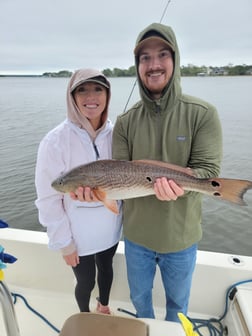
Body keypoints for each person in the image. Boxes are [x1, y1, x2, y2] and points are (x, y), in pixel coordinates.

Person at [112, 23, 223, 322]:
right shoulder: (124, 122)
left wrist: (181, 183)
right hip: (136, 239)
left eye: (162, 54)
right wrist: (92, 193)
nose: (154, 64)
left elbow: (209, 170)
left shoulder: (203, 113)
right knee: (140, 302)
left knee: (178, 305)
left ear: (175, 60)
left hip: (182, 238)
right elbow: (118, 176)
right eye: (144, 58)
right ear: (137, 67)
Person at [35, 68, 122, 314]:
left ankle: (103, 305)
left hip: (111, 226)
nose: (90, 97)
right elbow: (48, 199)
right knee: (85, 280)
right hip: (77, 235)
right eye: (81, 90)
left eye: (98, 89)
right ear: (71, 97)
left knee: (106, 268)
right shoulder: (55, 141)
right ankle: (84, 315)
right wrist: (65, 243)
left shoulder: (119, 134)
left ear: (107, 95)